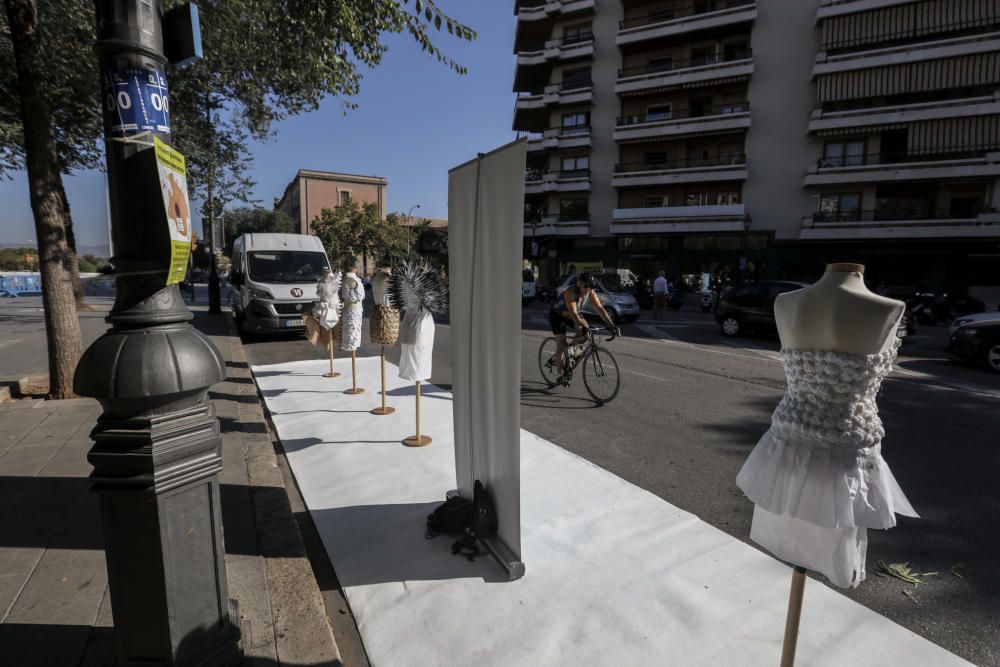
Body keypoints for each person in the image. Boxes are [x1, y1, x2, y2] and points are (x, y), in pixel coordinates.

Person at [549, 273, 620, 382]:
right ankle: (561, 374)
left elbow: (600, 309)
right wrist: (581, 326)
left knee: (587, 333)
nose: (588, 290)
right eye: (586, 287)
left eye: (590, 287)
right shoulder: (571, 292)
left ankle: (571, 349)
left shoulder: (590, 292)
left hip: (572, 315)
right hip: (558, 315)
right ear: (579, 284)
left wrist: (612, 325)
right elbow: (573, 313)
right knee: (561, 344)